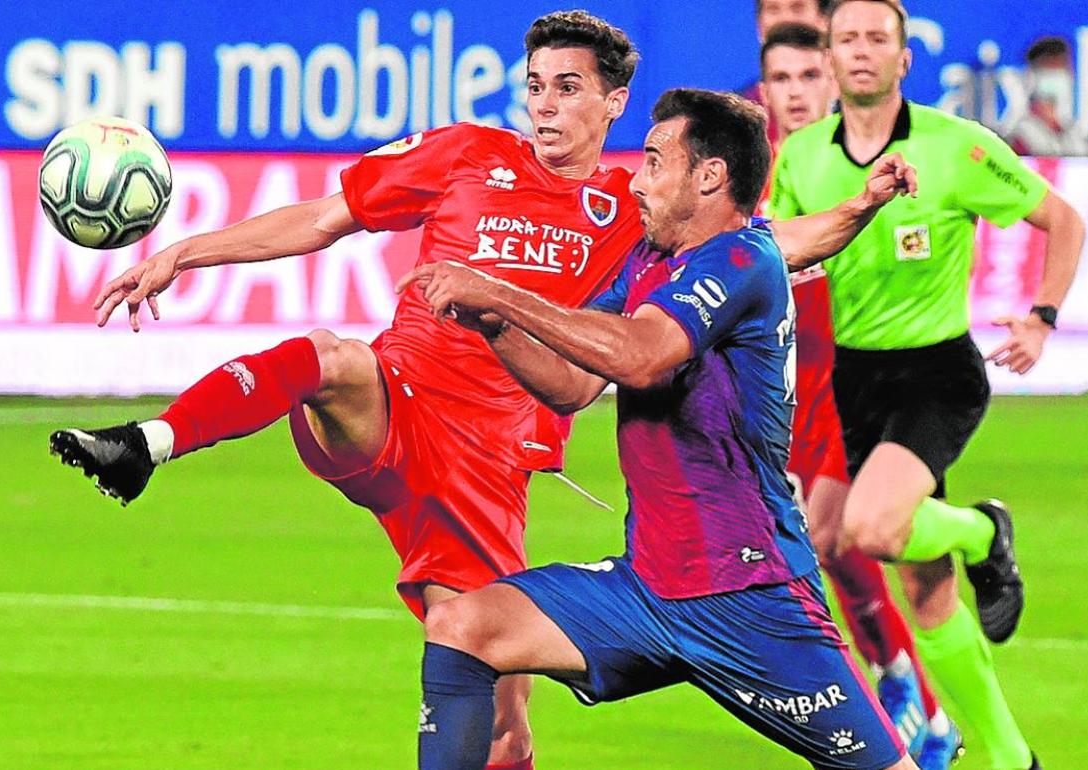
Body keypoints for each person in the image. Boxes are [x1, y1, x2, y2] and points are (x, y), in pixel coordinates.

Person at [48, 10, 915, 768]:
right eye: (533, 84)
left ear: (613, 102)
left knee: (495, 706)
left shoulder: (638, 213)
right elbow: (321, 217)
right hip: (395, 407)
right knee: (330, 357)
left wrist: (859, 209)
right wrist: (183, 252)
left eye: (566, 87)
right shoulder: (466, 155)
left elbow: (762, 245)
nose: (542, 103)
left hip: (488, 471)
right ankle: (149, 444)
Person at [398, 87, 918, 770]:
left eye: (652, 162)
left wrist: (497, 291)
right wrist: (495, 327)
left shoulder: (741, 261)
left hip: (752, 600)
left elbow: (641, 359)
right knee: (463, 627)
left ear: (709, 176)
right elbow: (573, 384)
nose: (636, 180)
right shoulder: (649, 262)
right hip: (648, 589)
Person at [769, 2, 1086, 769]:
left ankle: (983, 531)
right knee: (925, 585)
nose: (863, 50)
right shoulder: (804, 158)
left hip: (936, 372)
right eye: (849, 38)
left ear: (905, 59)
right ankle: (1013, 759)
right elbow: (770, 247)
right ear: (833, 55)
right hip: (851, 379)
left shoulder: (957, 147)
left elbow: (1065, 220)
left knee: (866, 531)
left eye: (879, 38)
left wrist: (1040, 318)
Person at [758, 22, 961, 769]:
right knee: (834, 553)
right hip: (799, 394)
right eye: (783, 80)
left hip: (856, 387)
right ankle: (907, 700)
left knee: (826, 544)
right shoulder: (766, 172)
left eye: (811, 76)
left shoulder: (858, 167)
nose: (799, 93)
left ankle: (904, 710)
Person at [743, 0, 832, 146]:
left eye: (797, 8)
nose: (785, 20)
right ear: (764, 92)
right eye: (781, 78)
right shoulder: (741, 124)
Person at [1004, 36, 1088, 157]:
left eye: (1062, 66)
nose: (1058, 73)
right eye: (1050, 67)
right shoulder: (1021, 136)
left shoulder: (1076, 137)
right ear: (1032, 76)